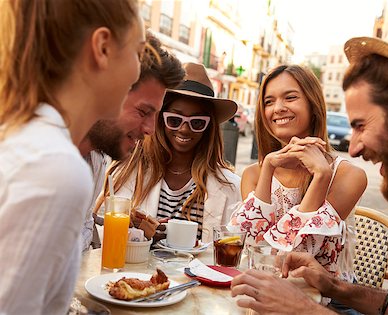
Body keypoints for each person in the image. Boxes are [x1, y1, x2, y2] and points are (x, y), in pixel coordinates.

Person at [231, 19, 388, 315]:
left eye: (361, 125)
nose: (355, 147)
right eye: (269, 101)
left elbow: (282, 256)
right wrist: (332, 285)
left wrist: (304, 309)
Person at [0, 1, 144, 314]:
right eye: (138, 51)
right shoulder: (56, 166)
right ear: (103, 48)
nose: (137, 69)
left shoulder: (26, 134)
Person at [228, 64, 367, 290]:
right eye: (269, 102)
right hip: (264, 292)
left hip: (325, 300)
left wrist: (321, 176)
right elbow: (255, 250)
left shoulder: (349, 175)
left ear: (313, 105)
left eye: (290, 98)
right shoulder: (254, 173)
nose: (278, 108)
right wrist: (269, 166)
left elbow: (289, 257)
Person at [94, 62, 241, 243]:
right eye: (174, 119)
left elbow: (232, 248)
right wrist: (141, 234)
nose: (185, 129)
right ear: (159, 119)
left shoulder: (231, 186)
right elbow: (103, 236)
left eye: (197, 122)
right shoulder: (129, 171)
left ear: (209, 127)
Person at [78, 32, 185, 251]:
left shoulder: (96, 158)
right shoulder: (39, 157)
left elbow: (81, 236)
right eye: (143, 111)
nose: (151, 130)